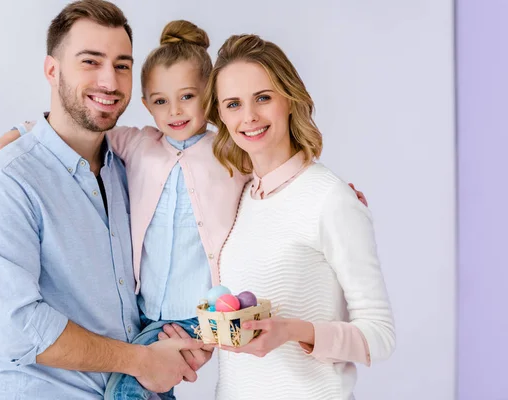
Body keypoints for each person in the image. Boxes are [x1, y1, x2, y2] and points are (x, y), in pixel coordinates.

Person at [0, 2, 207, 399]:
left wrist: (182, 339)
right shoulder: (4, 182)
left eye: (122, 65)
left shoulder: (134, 164)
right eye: (91, 62)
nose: (110, 81)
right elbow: (18, 327)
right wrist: (141, 361)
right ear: (52, 70)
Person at [161, 34, 396, 400]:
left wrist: (293, 331)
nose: (249, 116)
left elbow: (380, 336)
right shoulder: (238, 197)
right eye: (234, 104)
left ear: (289, 99)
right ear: (220, 115)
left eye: (263, 98)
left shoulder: (331, 198)